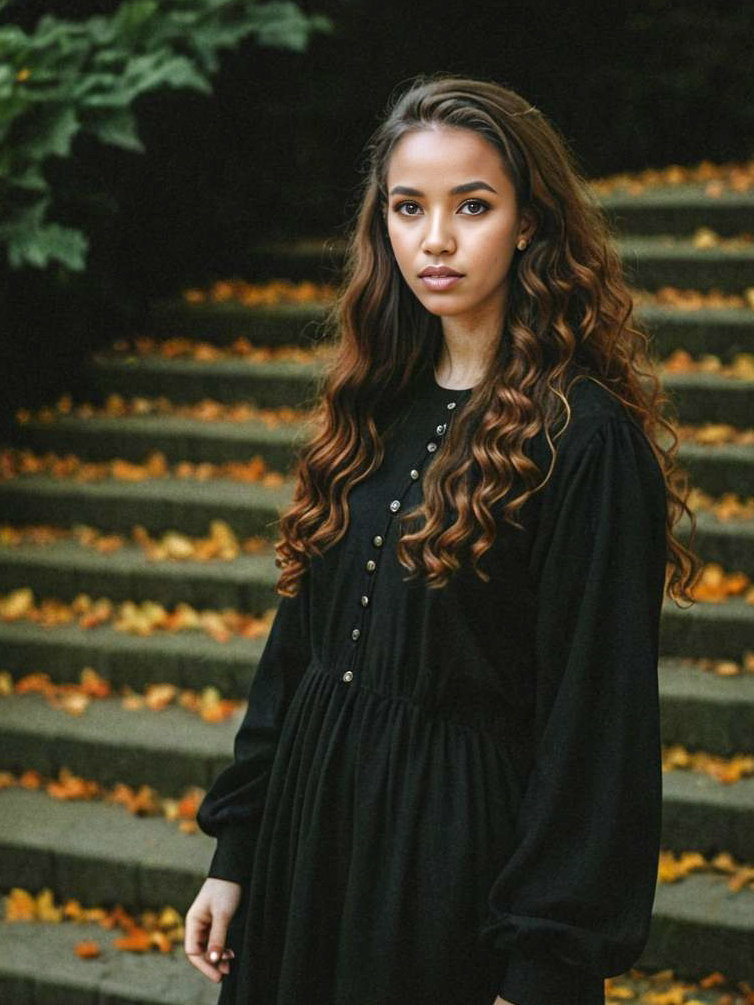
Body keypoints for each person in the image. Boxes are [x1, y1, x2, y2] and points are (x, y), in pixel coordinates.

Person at [183, 72, 700, 1005]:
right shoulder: (370, 406)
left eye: (474, 206)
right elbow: (295, 652)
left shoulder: (585, 439)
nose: (437, 239)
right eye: (408, 207)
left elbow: (596, 728)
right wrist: (239, 847)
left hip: (446, 867)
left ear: (530, 222)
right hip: (313, 839)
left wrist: (541, 964)